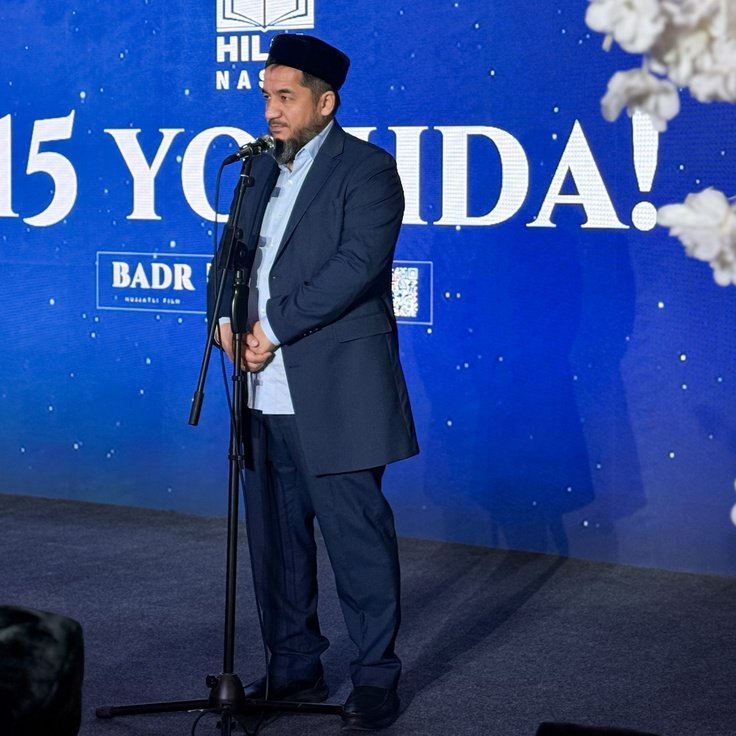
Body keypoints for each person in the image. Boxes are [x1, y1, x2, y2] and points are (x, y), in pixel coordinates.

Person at [208, 33, 419, 731]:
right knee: (275, 544)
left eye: (285, 96)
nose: (271, 109)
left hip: (334, 387)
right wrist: (224, 319)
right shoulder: (256, 169)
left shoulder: (368, 169)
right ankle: (295, 666)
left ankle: (376, 678)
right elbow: (229, 256)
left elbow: (357, 264)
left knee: (357, 541)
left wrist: (271, 327)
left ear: (325, 103)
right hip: (259, 389)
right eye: (266, 96)